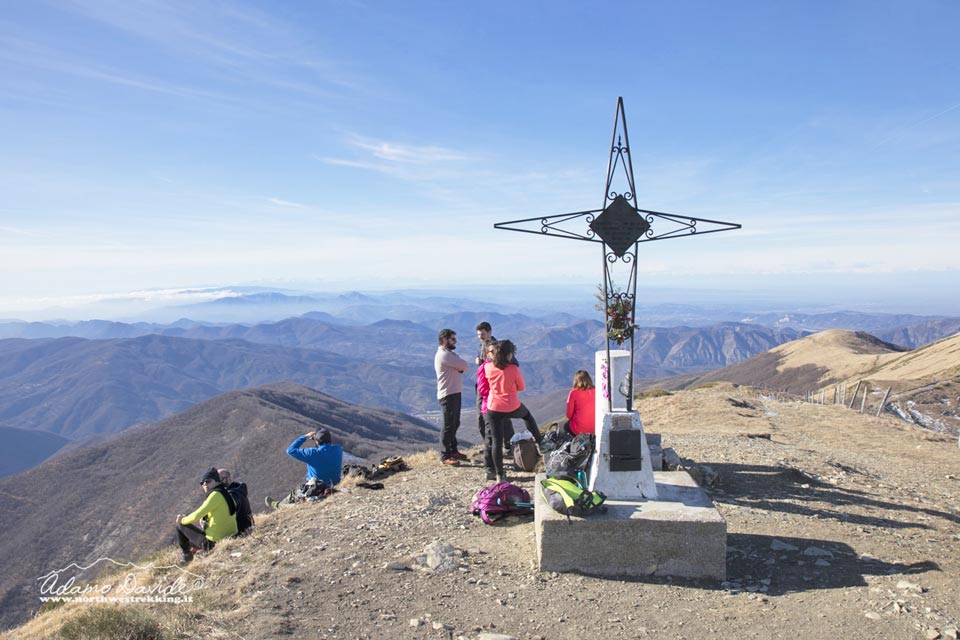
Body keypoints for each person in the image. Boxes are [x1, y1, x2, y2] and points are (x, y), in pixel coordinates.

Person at [483, 340, 543, 482]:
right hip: (511, 405)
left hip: (493, 407)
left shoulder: (488, 367)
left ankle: (499, 475)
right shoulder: (513, 369)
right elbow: (521, 387)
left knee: (497, 441)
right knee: (528, 417)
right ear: (509, 355)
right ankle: (541, 443)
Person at [265, 429, 343, 508]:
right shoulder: (338, 449)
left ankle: (278, 505)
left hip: (316, 488)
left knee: (295, 493)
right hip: (335, 484)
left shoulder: (312, 453)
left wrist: (305, 437)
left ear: (317, 441)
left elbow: (290, 450)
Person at [175, 467, 238, 564]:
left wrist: (182, 520)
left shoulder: (215, 495)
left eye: (208, 481)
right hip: (232, 535)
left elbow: (196, 516)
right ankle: (191, 550)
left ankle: (186, 556)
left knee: (180, 526)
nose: (205, 485)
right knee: (193, 537)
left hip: (213, 543)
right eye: (202, 483)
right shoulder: (225, 492)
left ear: (216, 481)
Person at [474, 322, 514, 449]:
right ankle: (489, 444)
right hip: (483, 387)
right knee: (482, 417)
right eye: (479, 335)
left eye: (483, 334)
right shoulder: (481, 346)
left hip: (495, 388)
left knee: (502, 417)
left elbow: (512, 364)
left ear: (490, 332)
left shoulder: (499, 348)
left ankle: (508, 444)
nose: (481, 337)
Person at [435, 328, 471, 465]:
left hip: (454, 392)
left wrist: (459, 366)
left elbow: (462, 367)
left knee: (455, 422)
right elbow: (465, 365)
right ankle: (445, 455)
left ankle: (453, 449)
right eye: (452, 339)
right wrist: (459, 366)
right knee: (448, 425)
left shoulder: (449, 354)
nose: (455, 341)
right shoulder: (445, 355)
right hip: (448, 394)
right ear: (444, 340)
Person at [217, 468, 254, 536]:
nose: (219, 483)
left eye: (220, 479)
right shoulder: (239, 489)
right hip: (248, 526)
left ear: (228, 478)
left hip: (241, 531)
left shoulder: (233, 495)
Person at [565, 370, 597, 436]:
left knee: (566, 426)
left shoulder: (573, 393)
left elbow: (569, 415)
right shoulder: (597, 391)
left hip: (579, 430)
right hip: (596, 428)